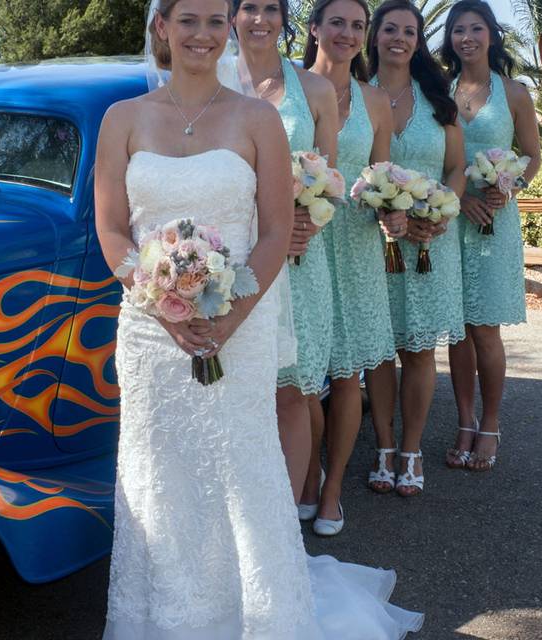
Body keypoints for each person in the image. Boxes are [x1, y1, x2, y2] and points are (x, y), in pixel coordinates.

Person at [95, 0, 423, 636]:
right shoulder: (122, 119)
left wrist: (231, 317)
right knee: (159, 471)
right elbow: (111, 229)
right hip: (146, 328)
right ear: (162, 27)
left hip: (238, 325)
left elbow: (275, 232)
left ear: (228, 31)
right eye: (188, 19)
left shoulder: (257, 120)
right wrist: (158, 303)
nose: (203, 34)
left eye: (215, 21)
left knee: (239, 466)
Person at [302, 0, 405, 535]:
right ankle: (306, 473)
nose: (346, 33)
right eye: (335, 22)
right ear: (314, 28)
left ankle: (333, 487)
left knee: (345, 377)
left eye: (357, 25)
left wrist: (397, 210)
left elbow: (383, 175)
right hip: (303, 244)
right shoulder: (289, 90)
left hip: (358, 247)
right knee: (299, 379)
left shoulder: (376, 102)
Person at [232, 0, 340, 510]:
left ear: (284, 18)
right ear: (232, 16)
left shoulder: (314, 90)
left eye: (270, 8)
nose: (260, 19)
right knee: (236, 390)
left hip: (298, 258)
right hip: (230, 257)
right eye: (248, 7)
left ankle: (284, 520)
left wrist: (308, 224)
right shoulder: (210, 83)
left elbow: (331, 181)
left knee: (291, 392)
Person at [362, 0, 467, 497]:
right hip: (372, 240)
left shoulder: (437, 96)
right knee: (381, 351)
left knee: (420, 350)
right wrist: (383, 212)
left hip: (429, 244)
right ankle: (383, 445)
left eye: (409, 30)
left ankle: (412, 449)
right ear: (375, 37)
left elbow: (456, 168)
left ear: (418, 40)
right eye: (390, 29)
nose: (399, 38)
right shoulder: (359, 94)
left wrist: (442, 212)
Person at [440, 0, 541, 472]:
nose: (467, 38)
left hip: (494, 221)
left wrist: (510, 185)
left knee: (485, 329)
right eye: (458, 30)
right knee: (456, 329)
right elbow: (434, 158)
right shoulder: (437, 91)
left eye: (475, 29)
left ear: (491, 35)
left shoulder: (514, 92)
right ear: (450, 39)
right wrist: (457, 199)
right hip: (449, 215)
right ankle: (463, 421)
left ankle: (491, 424)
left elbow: (533, 155)